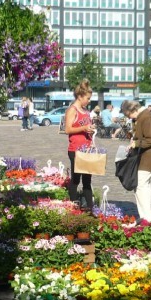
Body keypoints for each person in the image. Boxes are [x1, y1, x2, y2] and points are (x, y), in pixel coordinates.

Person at [121, 99, 151, 222]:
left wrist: (136, 143)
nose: (128, 117)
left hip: (148, 157)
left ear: (132, 110)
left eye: (128, 114)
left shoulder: (146, 117)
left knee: (140, 185)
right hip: (144, 156)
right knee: (143, 186)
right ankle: (146, 216)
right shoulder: (142, 117)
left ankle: (147, 217)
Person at [64, 79, 96, 210]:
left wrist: (91, 131)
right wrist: (83, 128)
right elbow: (67, 130)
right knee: (76, 179)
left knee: (87, 180)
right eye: (87, 98)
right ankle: (74, 204)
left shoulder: (86, 111)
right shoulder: (72, 110)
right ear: (80, 96)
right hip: (76, 149)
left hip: (87, 149)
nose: (89, 101)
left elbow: (86, 127)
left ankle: (90, 208)